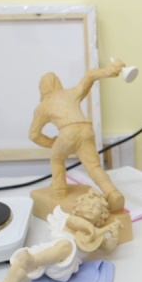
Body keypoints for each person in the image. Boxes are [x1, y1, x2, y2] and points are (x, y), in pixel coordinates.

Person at [29, 60, 126, 212]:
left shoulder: (43, 106)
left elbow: (34, 135)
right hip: (86, 129)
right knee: (93, 166)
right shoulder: (70, 93)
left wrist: (53, 143)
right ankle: (112, 192)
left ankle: (59, 191)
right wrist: (109, 70)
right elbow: (89, 76)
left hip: (68, 132)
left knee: (56, 158)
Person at [0, 188, 122, 282]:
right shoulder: (71, 220)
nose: (91, 208)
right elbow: (78, 223)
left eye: (96, 207)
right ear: (79, 208)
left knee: (67, 245)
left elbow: (108, 247)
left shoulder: (97, 237)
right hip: (48, 252)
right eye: (87, 204)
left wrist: (114, 236)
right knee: (22, 260)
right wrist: (93, 229)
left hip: (65, 265)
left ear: (101, 214)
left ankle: (33, 260)